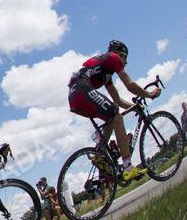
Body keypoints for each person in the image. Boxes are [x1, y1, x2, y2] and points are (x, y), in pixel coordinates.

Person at [68, 40, 161, 182]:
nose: (125, 63)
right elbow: (130, 85)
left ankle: (101, 154)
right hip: (82, 88)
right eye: (126, 58)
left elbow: (117, 99)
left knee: (113, 112)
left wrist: (134, 106)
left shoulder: (106, 72)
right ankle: (128, 167)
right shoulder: (113, 57)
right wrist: (149, 94)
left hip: (75, 95)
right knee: (116, 117)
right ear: (120, 54)